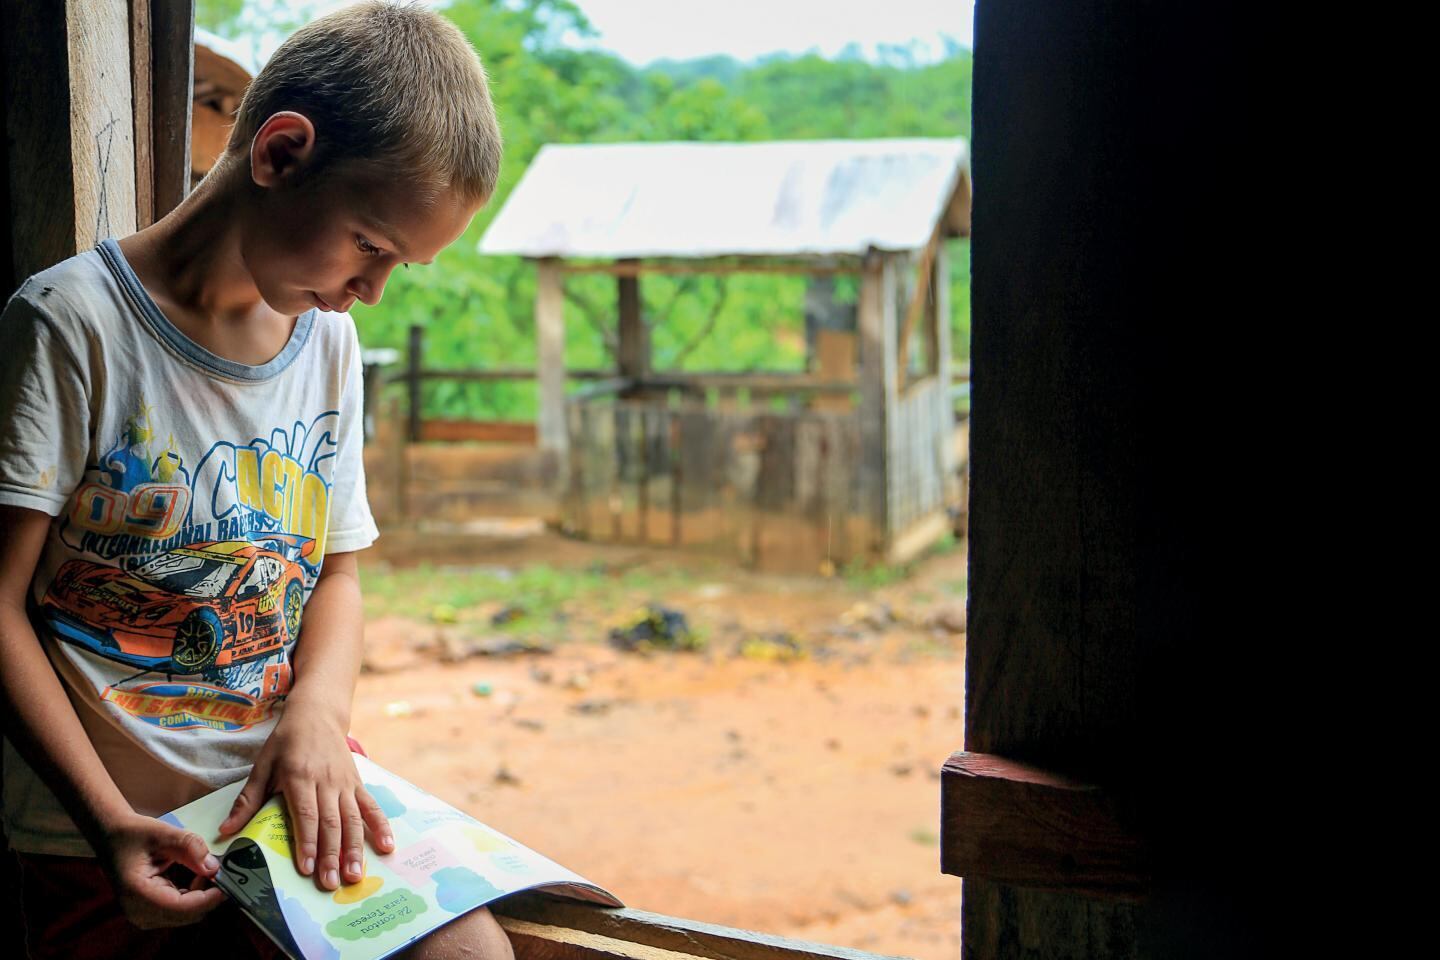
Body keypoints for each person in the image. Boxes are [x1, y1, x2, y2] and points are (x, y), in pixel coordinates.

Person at [0, 3, 512, 957]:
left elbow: (336, 573)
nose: (372, 292)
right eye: (371, 246)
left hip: (282, 802)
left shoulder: (327, 343)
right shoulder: (72, 327)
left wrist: (318, 715)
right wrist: (109, 824)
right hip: (101, 840)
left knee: (471, 951)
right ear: (280, 154)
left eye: (399, 267)